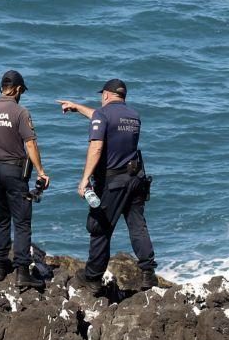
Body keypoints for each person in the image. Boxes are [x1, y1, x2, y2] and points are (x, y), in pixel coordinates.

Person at [57, 78, 158, 292]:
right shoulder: (134, 116)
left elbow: (96, 147)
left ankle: (92, 278)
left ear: (105, 95)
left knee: (100, 227)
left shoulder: (102, 115)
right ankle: (148, 274)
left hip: (113, 182)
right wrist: (77, 107)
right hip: (137, 179)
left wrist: (85, 179)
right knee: (137, 225)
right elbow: (101, 117)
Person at [0, 70, 50, 289]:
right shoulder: (20, 112)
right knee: (22, 221)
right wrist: (41, 171)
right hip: (14, 171)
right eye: (22, 91)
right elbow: (30, 143)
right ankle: (22, 272)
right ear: (17, 89)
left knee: (0, 218)